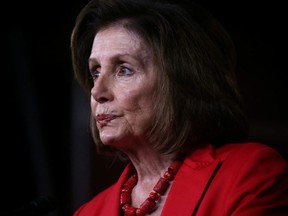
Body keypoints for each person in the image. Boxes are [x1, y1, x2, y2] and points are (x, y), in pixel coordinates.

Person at [70, 0, 288, 215]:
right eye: (96, 72)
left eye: (124, 70)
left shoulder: (249, 175)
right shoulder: (88, 212)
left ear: (179, 83)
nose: (97, 92)